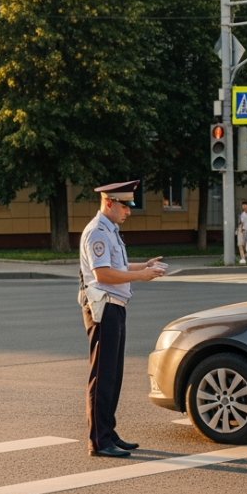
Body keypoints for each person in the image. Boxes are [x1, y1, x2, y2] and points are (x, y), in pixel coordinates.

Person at [79, 180, 165, 458]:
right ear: (108, 203)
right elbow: (103, 274)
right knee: (102, 376)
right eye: (124, 205)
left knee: (113, 376)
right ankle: (99, 440)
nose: (129, 210)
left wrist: (145, 266)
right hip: (103, 308)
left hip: (115, 306)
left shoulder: (110, 230)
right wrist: (140, 276)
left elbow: (117, 266)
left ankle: (108, 432)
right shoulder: (97, 233)